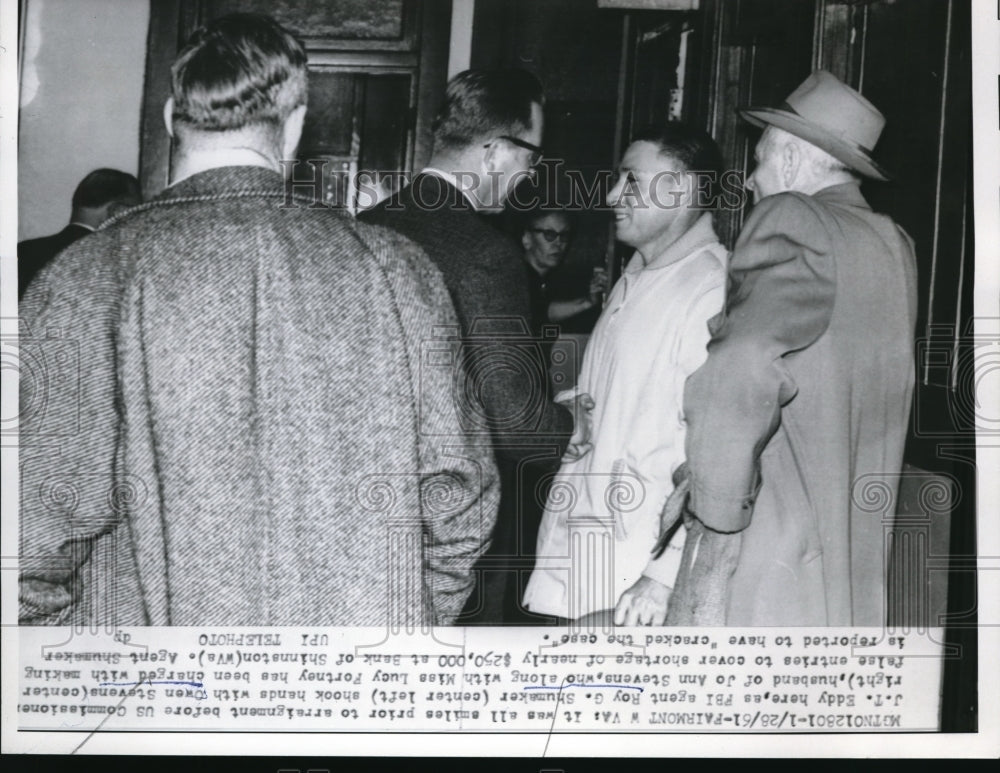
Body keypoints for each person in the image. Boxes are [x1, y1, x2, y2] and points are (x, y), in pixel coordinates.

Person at [19, 13, 498, 627]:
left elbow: (28, 533)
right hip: (347, 682)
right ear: (295, 125)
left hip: (146, 696)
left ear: (171, 119)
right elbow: (460, 495)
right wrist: (410, 621)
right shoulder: (399, 269)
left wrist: (77, 663)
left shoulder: (84, 276)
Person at [673, 70, 918, 626]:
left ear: (788, 161)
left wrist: (715, 519)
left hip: (771, 551)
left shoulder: (793, 218)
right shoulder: (893, 243)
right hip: (846, 568)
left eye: (758, 161)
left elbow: (738, 370)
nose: (753, 180)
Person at [360, 69, 593, 624]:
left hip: (356, 513)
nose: (529, 177)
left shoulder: (362, 226)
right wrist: (570, 426)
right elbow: (514, 424)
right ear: (493, 154)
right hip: (443, 532)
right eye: (531, 158)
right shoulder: (487, 255)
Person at [523, 123, 729, 625]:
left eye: (631, 181)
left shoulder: (711, 288)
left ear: (681, 190)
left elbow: (717, 445)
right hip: (580, 552)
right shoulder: (635, 274)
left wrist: (663, 575)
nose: (613, 194)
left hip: (632, 576)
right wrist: (572, 409)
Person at [18, 169, 140, 297]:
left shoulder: (23, 250)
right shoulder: (112, 262)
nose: (139, 220)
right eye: (135, 212)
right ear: (116, 211)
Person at [520, 208, 606, 338]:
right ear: (527, 239)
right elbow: (539, 311)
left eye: (564, 236)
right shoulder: (514, 277)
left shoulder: (552, 281)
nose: (558, 243)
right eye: (549, 234)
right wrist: (586, 302)